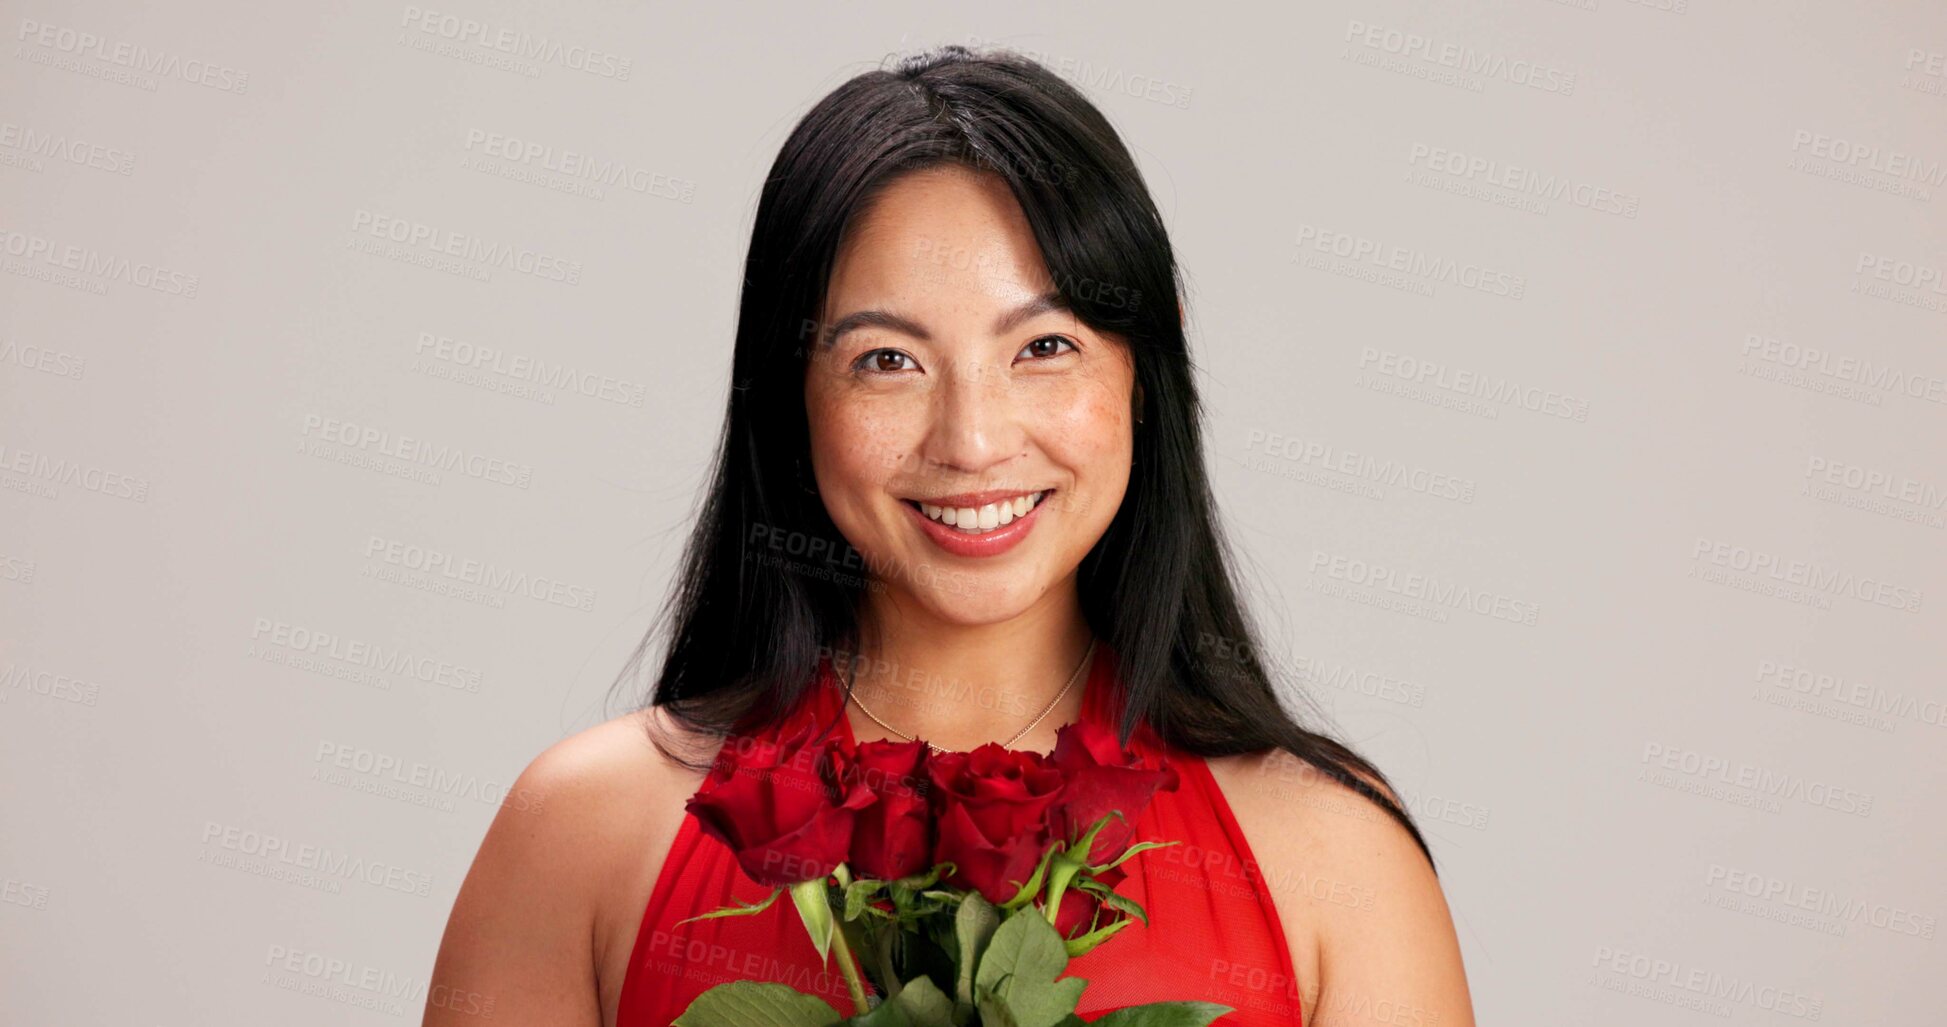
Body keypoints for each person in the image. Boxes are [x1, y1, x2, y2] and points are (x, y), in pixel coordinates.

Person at [424, 45, 1473, 1027]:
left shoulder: (1333, 852)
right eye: (887, 360)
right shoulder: (585, 837)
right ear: (790, 394)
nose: (971, 441)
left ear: (1146, 372)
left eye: (1045, 346)